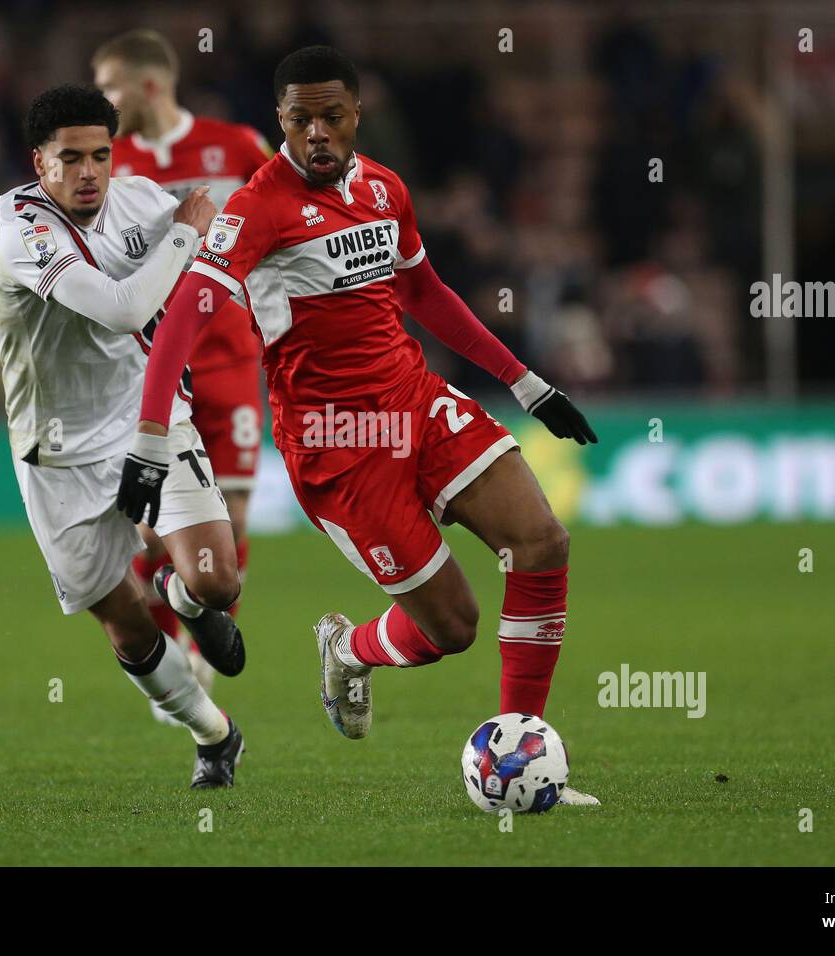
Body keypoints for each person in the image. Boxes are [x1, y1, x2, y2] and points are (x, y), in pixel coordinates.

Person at [125, 48, 600, 805]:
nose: (316, 132)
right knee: (454, 627)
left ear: (357, 113)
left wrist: (527, 383)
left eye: (331, 116)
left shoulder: (384, 186)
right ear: (280, 121)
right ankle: (349, 647)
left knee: (541, 541)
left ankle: (522, 748)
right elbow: (188, 310)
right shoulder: (257, 208)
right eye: (299, 118)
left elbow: (424, 290)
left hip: (415, 400)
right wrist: (152, 436)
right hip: (336, 448)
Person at [0, 84, 245, 787]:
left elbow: (230, 243)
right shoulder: (22, 232)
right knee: (127, 627)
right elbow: (123, 306)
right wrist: (190, 231)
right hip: (54, 454)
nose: (88, 172)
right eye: (69, 159)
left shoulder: (139, 201)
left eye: (100, 155)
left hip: (146, 423)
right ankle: (213, 735)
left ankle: (186, 594)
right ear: (38, 163)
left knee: (217, 582)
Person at [94, 31, 271, 711]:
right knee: (149, 528)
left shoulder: (236, 145)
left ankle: (201, 644)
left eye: (110, 88)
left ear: (147, 86)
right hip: (151, 363)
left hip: (230, 357)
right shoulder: (112, 165)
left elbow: (278, 225)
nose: (102, 104)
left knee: (236, 513)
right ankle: (169, 634)